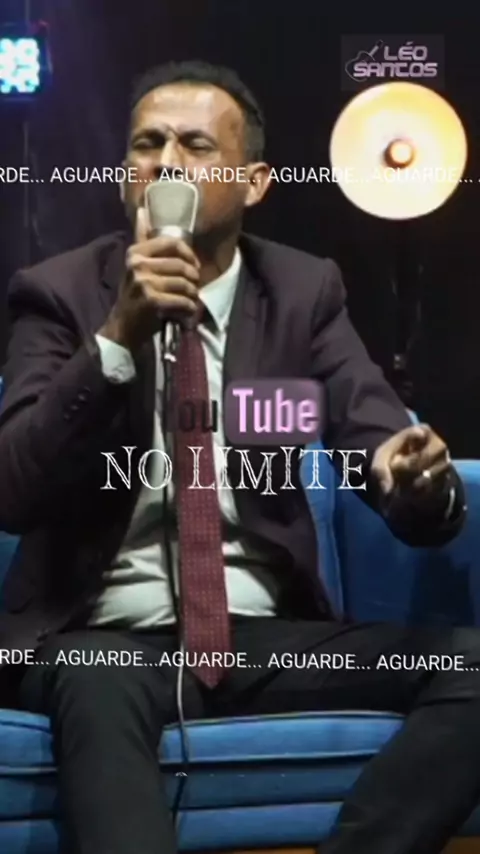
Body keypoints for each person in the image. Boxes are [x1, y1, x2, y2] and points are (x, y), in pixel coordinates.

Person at [0, 59, 476, 854]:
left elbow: (375, 441)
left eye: (195, 146)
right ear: (122, 174)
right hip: (98, 633)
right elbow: (13, 489)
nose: (166, 164)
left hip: (262, 634)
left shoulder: (301, 292)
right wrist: (115, 340)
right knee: (99, 675)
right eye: (147, 145)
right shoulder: (60, 293)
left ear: (254, 183)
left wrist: (413, 481)